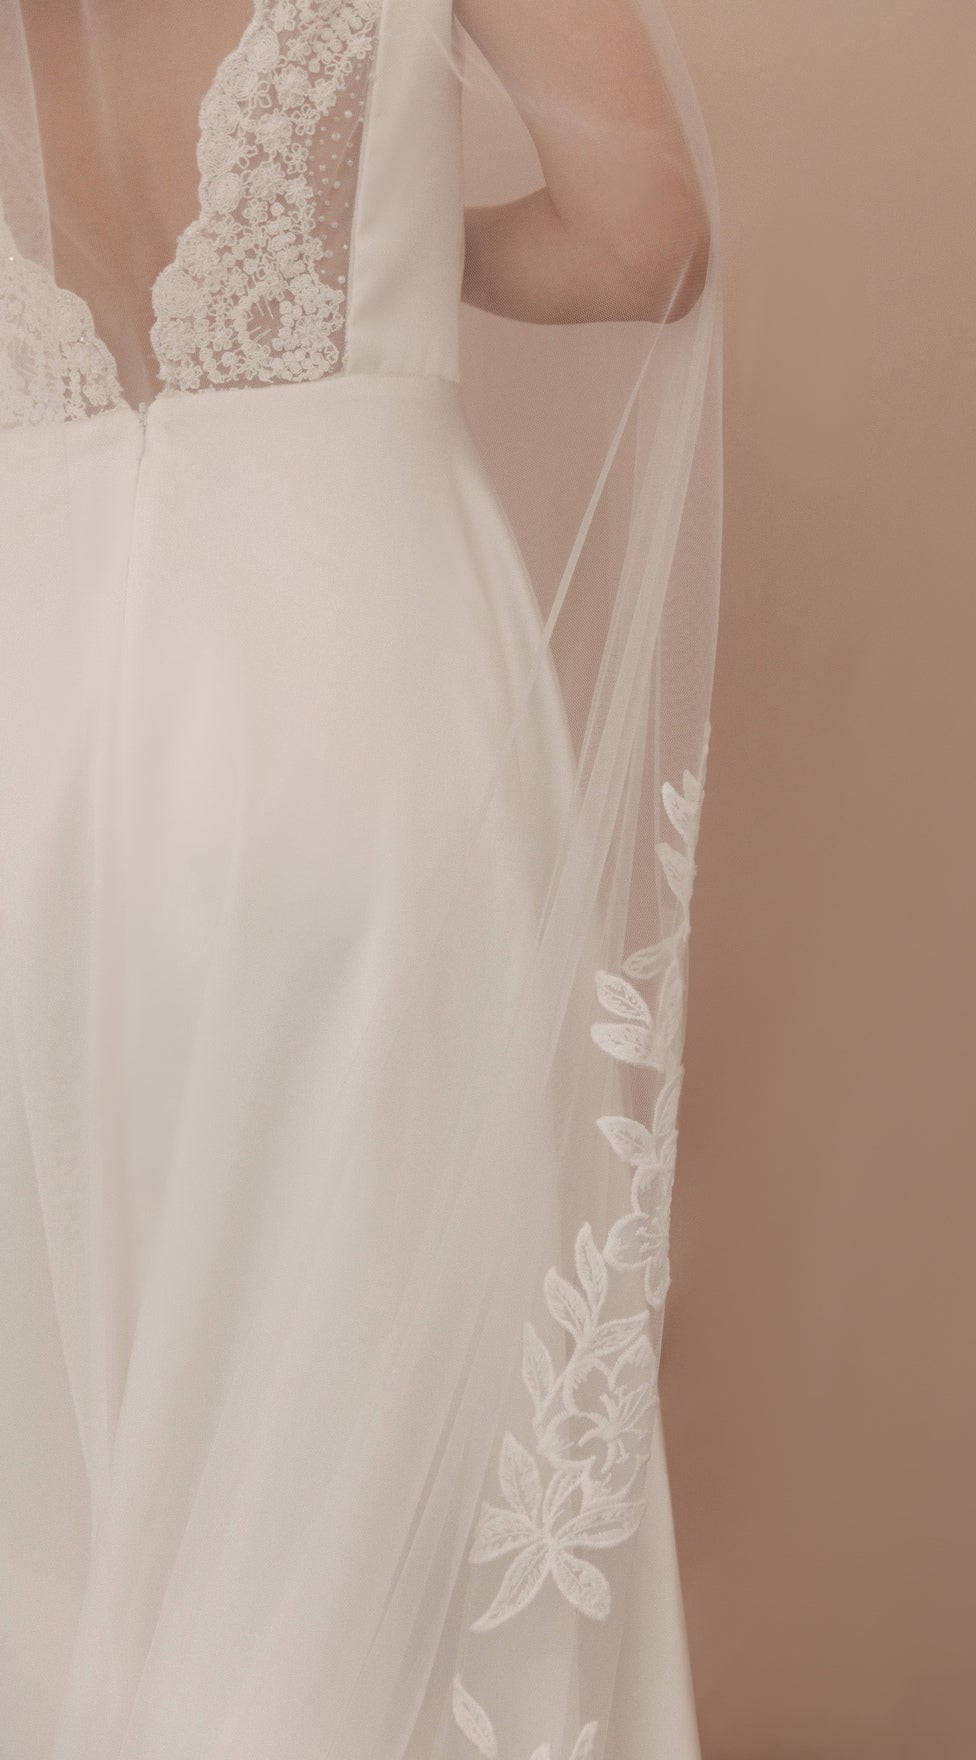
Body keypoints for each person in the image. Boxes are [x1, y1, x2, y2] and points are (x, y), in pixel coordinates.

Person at [0, 1, 723, 1754]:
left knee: (91, 1451)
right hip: (346, 694)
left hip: (46, 724)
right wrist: (396, 239)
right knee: (363, 1419)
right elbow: (648, 238)